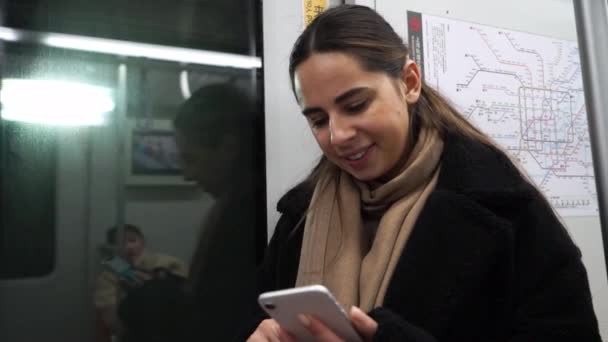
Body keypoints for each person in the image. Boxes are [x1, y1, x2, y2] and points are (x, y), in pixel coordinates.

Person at [243, 5, 601, 342]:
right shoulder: (299, 220)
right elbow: (253, 320)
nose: (338, 136)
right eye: (319, 120)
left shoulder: (509, 213)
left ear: (409, 83)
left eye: (356, 105)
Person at [118, 83, 263, 341]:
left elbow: (217, 316)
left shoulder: (244, 217)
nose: (188, 174)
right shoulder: (233, 204)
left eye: (191, 159)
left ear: (228, 149)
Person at [94, 224, 187, 337]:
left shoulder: (168, 262)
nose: (128, 247)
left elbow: (186, 295)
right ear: (112, 248)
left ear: (142, 241)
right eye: (120, 243)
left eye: (132, 240)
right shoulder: (108, 277)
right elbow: (111, 318)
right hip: (131, 331)